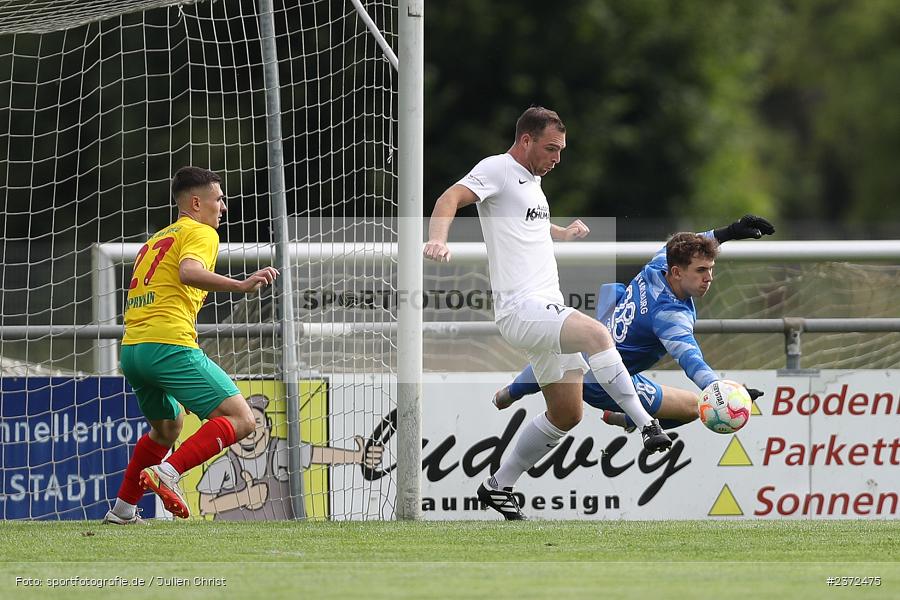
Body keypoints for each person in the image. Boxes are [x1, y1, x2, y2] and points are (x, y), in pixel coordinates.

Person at [423, 106, 670, 521]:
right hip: (524, 308)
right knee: (597, 335)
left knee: (567, 413)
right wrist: (437, 241)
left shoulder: (532, 183)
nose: (557, 158)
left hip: (541, 310)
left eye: (562, 150)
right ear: (525, 140)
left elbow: (526, 225)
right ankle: (646, 424)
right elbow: (450, 197)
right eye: (551, 148)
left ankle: (497, 487)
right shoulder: (497, 169)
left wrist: (562, 233)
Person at [102, 166, 279, 525]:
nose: (223, 207)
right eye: (219, 199)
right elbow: (189, 271)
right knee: (242, 419)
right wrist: (241, 285)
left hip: (134, 349)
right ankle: (169, 472)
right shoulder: (200, 231)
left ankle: (122, 511)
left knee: (168, 427)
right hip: (169, 345)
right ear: (196, 203)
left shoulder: (157, 238)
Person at [493, 216, 775, 432]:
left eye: (711, 270)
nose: (709, 278)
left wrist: (730, 232)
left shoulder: (658, 265)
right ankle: (630, 419)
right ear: (677, 273)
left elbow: (686, 244)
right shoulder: (670, 317)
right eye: (701, 271)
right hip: (609, 382)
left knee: (569, 348)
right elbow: (692, 361)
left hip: (591, 348)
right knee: (693, 408)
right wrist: (721, 392)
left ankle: (510, 392)